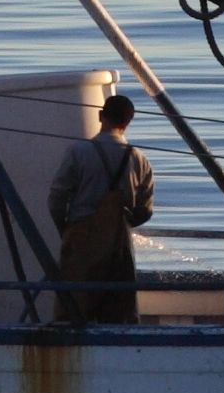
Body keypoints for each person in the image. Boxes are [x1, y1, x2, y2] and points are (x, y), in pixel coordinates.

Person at [47, 91, 155, 326]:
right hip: (119, 245)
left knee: (72, 311)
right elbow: (145, 210)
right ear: (128, 123)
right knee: (119, 313)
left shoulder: (79, 152)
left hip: (81, 241)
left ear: (100, 115)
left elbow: (56, 198)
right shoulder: (139, 158)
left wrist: (64, 229)